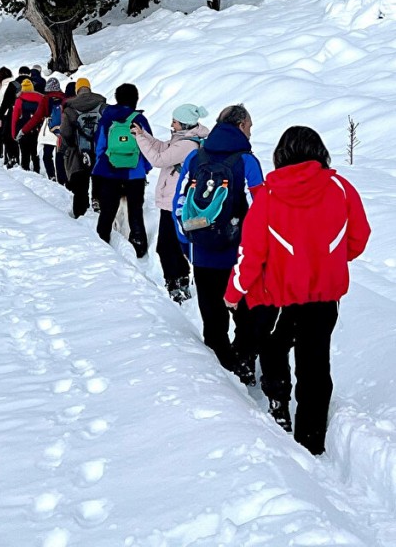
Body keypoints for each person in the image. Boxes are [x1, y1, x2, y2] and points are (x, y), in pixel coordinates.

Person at [224, 126, 370, 455]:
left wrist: (234, 292)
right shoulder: (341, 188)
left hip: (277, 296)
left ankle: (279, 408)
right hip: (324, 296)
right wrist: (330, 259)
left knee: (274, 350)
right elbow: (359, 237)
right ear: (319, 151)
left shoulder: (269, 196)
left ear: (281, 155)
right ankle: (312, 435)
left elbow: (251, 255)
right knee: (315, 361)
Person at [173, 104, 264, 383]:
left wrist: (187, 243)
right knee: (246, 314)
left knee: (212, 317)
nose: (250, 131)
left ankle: (221, 371)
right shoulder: (247, 162)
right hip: (239, 256)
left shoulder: (195, 158)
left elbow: (180, 203)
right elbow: (262, 210)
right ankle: (245, 363)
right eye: (249, 126)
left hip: (202, 252)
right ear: (240, 127)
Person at [132, 103, 210, 303]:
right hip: (174, 200)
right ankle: (180, 281)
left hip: (174, 201)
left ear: (184, 124)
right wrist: (143, 135)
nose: (171, 124)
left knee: (167, 247)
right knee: (174, 245)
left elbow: (158, 158)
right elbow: (163, 147)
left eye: (174, 121)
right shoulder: (184, 139)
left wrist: (140, 139)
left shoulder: (186, 144)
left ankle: (175, 284)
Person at [93, 83, 152, 258]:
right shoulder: (140, 120)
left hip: (109, 172)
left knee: (108, 210)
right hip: (134, 173)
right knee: (135, 209)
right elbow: (147, 146)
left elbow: (100, 146)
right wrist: (144, 169)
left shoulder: (106, 118)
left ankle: (101, 241)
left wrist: (102, 165)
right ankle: (139, 245)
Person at [60, 78, 106, 218]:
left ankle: (80, 215)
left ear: (77, 90)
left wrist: (72, 146)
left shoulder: (70, 109)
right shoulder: (102, 106)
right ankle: (98, 202)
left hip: (78, 153)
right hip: (99, 151)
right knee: (98, 178)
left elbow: (65, 133)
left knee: (80, 186)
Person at [19, 77, 67, 183]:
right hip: (63, 131)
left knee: (47, 155)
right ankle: (62, 179)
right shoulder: (64, 98)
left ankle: (51, 176)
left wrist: (23, 130)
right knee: (60, 156)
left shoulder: (46, 99)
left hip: (49, 131)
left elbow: (36, 117)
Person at [0, 66, 31, 168]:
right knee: (22, 138)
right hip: (28, 114)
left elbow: (5, 102)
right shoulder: (26, 84)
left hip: (12, 114)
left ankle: (13, 158)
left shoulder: (10, 85)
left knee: (8, 136)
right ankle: (22, 163)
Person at [12, 79, 44, 172]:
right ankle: (37, 170)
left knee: (24, 153)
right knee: (35, 152)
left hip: (23, 131)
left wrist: (14, 134)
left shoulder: (19, 100)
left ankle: (25, 169)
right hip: (36, 130)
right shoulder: (40, 98)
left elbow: (15, 118)